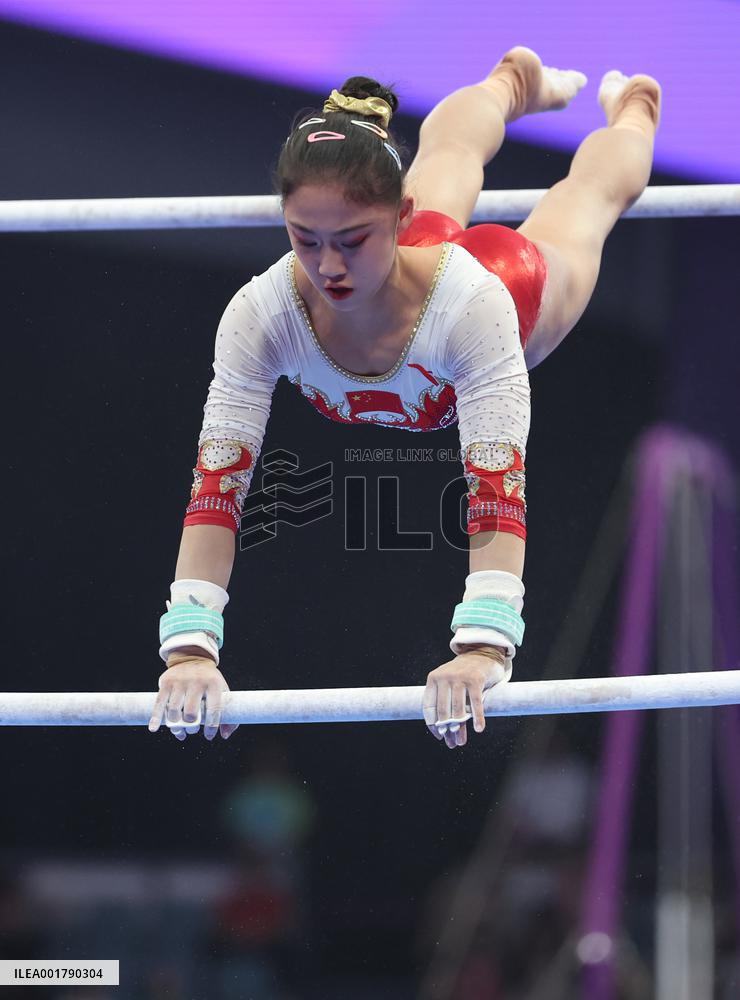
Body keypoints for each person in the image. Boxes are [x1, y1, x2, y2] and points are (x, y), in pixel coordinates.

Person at [148, 47, 661, 749]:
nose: (328, 267)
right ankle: (514, 81)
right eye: (306, 239)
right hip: (415, 277)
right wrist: (190, 650)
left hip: (506, 293)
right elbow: (217, 489)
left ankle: (635, 107)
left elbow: (495, 490)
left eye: (351, 241)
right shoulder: (261, 315)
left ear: (397, 215)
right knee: (448, 149)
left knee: (589, 198)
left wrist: (484, 645)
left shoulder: (480, 309)